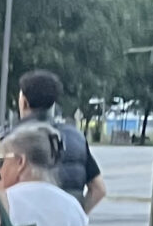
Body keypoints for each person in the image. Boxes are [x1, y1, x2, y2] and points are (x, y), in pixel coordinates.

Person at [15, 70, 107, 215]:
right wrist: (77, 217)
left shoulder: (11, 140)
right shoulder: (76, 138)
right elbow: (99, 189)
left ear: (24, 102)